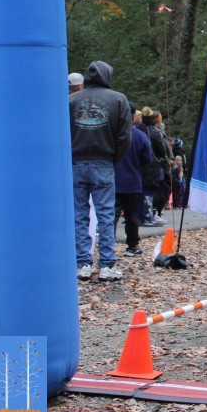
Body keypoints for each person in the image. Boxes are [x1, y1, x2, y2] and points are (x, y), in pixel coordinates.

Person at [70, 61, 132, 282]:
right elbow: (125, 137)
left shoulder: (71, 101)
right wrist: (113, 158)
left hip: (76, 163)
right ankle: (106, 264)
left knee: (79, 215)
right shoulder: (119, 100)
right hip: (104, 161)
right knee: (106, 214)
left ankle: (82, 263)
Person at [114, 102, 153, 258]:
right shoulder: (140, 136)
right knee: (132, 216)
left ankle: (108, 245)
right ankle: (132, 245)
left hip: (113, 180)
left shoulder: (112, 134)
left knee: (111, 215)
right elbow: (147, 159)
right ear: (132, 116)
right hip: (133, 181)